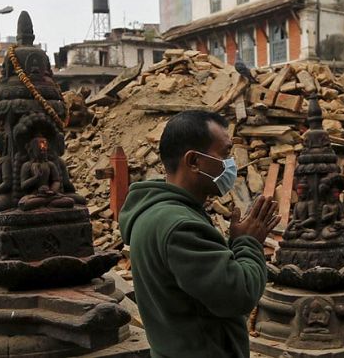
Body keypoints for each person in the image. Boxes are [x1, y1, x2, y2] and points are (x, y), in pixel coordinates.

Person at [119, 110, 280, 358]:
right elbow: (239, 295)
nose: (232, 164)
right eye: (225, 154)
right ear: (194, 161)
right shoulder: (180, 226)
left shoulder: (157, 212)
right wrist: (248, 242)